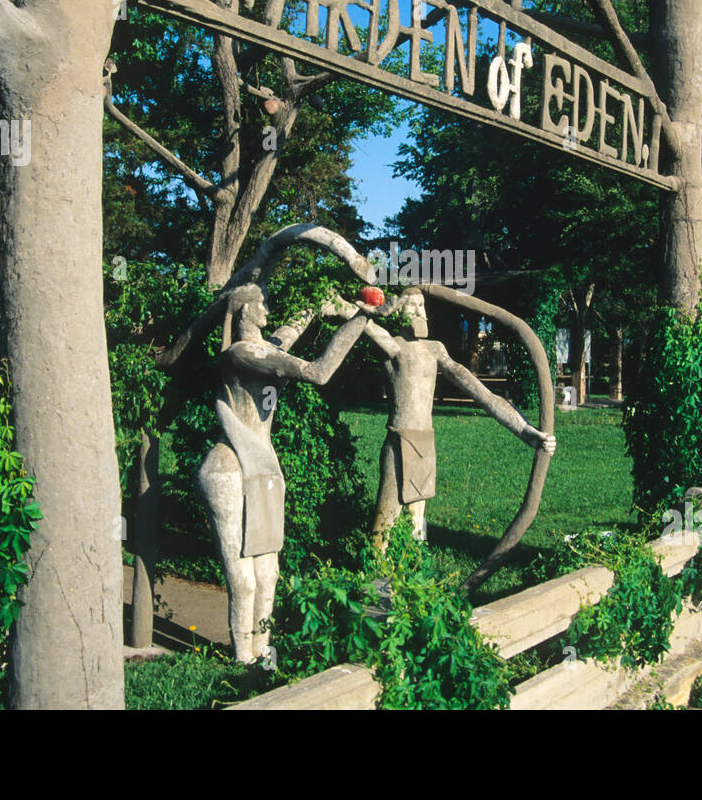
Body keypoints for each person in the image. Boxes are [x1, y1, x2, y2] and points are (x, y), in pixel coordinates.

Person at [195, 284, 369, 662]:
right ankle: (243, 660)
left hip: (264, 469)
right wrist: (361, 319)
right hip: (230, 468)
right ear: (242, 312)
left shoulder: (264, 349)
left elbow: (287, 333)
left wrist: (318, 305)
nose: (267, 308)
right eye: (260, 303)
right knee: (242, 581)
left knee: (268, 576)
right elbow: (319, 372)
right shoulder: (242, 354)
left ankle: (262, 655)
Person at [365, 286, 555, 546]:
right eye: (413, 306)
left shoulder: (435, 349)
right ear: (398, 310)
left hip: (424, 444)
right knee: (385, 521)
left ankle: (414, 576)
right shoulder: (392, 345)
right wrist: (369, 309)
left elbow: (482, 393)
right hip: (399, 442)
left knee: (416, 520)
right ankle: (376, 580)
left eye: (423, 307)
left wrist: (525, 430)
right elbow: (360, 320)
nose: (422, 314)